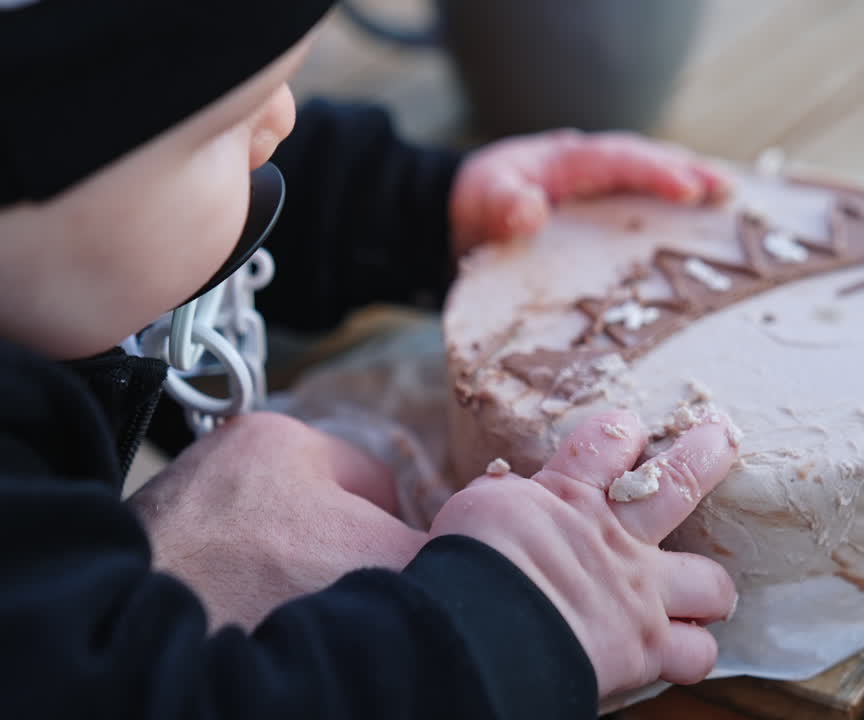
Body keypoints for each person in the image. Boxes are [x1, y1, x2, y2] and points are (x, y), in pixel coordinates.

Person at [0, 2, 740, 717]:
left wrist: (427, 206)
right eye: (227, 126)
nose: (281, 122)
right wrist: (512, 621)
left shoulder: (54, 229)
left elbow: (160, 182)